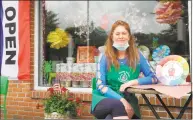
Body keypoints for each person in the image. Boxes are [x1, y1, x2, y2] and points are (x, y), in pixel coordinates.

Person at [91, 20, 158, 119]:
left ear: (129, 37)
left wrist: (131, 82)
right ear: (112, 37)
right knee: (118, 105)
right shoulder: (104, 56)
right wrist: (122, 100)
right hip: (104, 99)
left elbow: (154, 78)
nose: (121, 36)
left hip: (129, 99)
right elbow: (100, 86)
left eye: (124, 33)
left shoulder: (138, 56)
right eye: (117, 34)